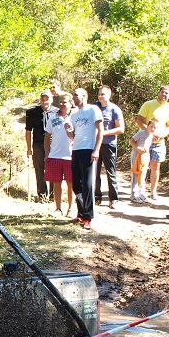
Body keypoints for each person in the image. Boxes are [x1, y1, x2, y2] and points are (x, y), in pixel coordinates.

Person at [67, 88, 104, 230]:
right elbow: (73, 135)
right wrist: (67, 129)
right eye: (73, 95)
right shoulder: (74, 114)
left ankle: (88, 217)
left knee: (87, 185)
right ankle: (81, 213)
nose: (74, 98)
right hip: (76, 150)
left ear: (84, 96)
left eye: (76, 95)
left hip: (88, 150)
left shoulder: (93, 109)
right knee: (76, 184)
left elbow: (100, 130)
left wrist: (96, 149)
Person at [136, 85, 169, 200]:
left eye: (167, 93)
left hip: (159, 141)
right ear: (159, 92)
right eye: (163, 92)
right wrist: (149, 132)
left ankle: (153, 192)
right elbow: (140, 120)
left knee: (156, 166)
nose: (164, 94)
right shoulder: (148, 104)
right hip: (145, 140)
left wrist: (163, 134)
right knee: (142, 166)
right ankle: (140, 191)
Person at [43, 92, 75, 216]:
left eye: (65, 102)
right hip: (55, 155)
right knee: (56, 183)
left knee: (70, 183)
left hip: (70, 156)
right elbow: (47, 136)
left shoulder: (75, 117)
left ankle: (71, 209)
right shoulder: (53, 117)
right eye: (60, 101)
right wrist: (47, 154)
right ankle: (58, 208)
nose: (61, 104)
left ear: (71, 103)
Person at [94, 86, 125, 208]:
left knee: (110, 172)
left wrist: (103, 133)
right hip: (96, 144)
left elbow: (121, 129)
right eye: (99, 94)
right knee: (95, 172)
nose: (101, 96)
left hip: (108, 144)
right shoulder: (95, 108)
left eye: (103, 94)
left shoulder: (114, 109)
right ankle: (96, 196)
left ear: (109, 95)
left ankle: (114, 199)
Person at [25, 90, 58, 200]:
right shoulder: (32, 112)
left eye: (47, 99)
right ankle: (42, 194)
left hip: (54, 143)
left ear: (51, 100)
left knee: (54, 168)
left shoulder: (57, 112)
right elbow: (28, 131)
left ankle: (53, 194)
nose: (45, 102)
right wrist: (29, 148)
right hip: (38, 143)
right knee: (39, 168)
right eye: (43, 100)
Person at [129, 119, 157, 203]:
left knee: (143, 175)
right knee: (135, 174)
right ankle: (133, 194)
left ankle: (141, 193)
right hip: (136, 156)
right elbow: (132, 141)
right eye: (151, 126)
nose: (152, 129)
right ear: (147, 126)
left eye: (154, 127)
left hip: (145, 157)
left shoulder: (151, 136)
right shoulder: (141, 133)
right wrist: (138, 148)